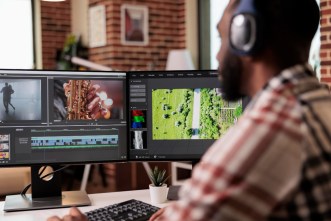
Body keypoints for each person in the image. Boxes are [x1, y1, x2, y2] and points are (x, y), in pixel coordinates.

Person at [48, 0, 330, 220]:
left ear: (247, 36)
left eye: (221, 39)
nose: (218, 56)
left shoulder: (260, 137)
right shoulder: (320, 106)